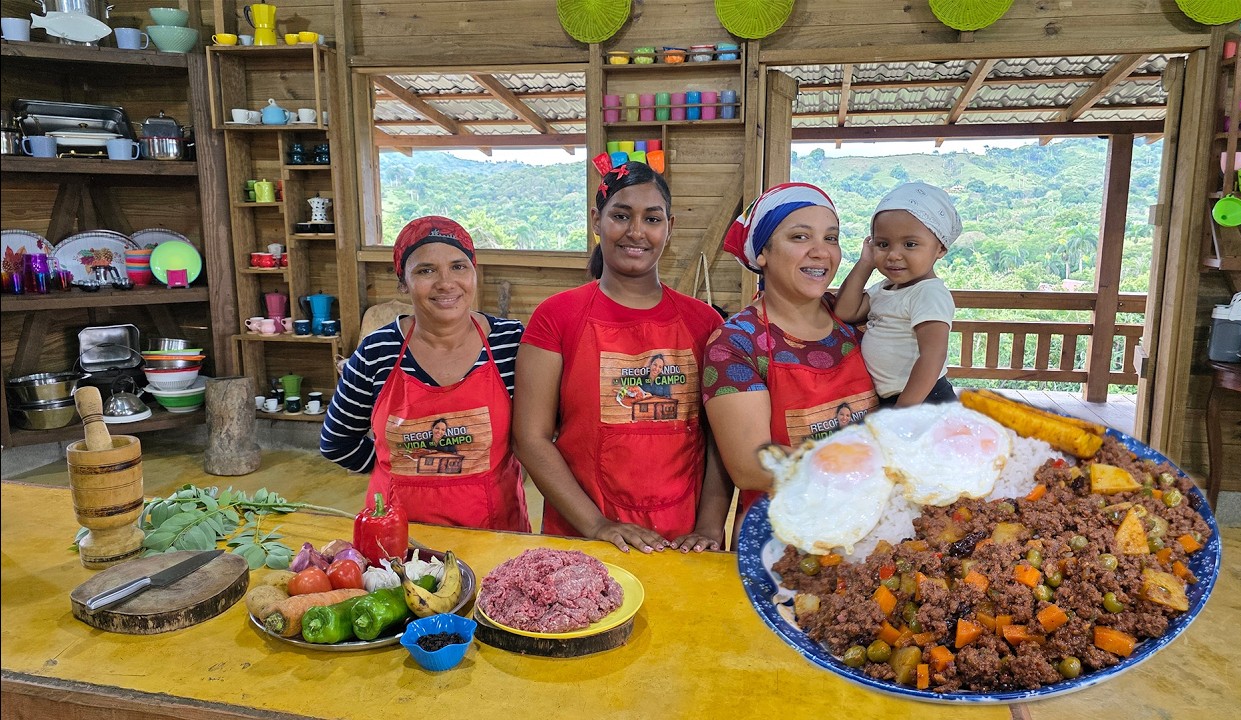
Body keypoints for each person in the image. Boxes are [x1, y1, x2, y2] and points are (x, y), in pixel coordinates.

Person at [514, 162, 732, 554]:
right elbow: (531, 438)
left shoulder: (705, 322)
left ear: (670, 226)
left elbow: (721, 439)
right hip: (582, 537)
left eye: (652, 218)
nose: (636, 231)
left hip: (682, 539)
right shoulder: (556, 316)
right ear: (597, 220)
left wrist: (710, 525)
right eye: (620, 215)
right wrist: (596, 524)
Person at [320, 216, 530, 532]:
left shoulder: (511, 343)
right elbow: (336, 442)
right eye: (426, 271)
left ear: (474, 272)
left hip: (493, 531)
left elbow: (541, 432)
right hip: (395, 534)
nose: (446, 282)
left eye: (459, 266)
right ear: (403, 281)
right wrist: (394, 472)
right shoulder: (377, 351)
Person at [702, 183, 879, 522]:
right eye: (800, 237)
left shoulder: (854, 320)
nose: (821, 251)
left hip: (870, 526)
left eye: (831, 238)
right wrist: (869, 467)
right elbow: (751, 465)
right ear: (763, 252)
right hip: (782, 540)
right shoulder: (736, 343)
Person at [834, 182, 960, 407]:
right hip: (894, 400)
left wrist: (902, 413)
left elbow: (932, 356)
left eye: (910, 244)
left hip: (923, 399)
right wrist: (865, 263)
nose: (893, 255)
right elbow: (845, 311)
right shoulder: (884, 289)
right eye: (883, 244)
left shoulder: (928, 293)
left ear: (940, 248)